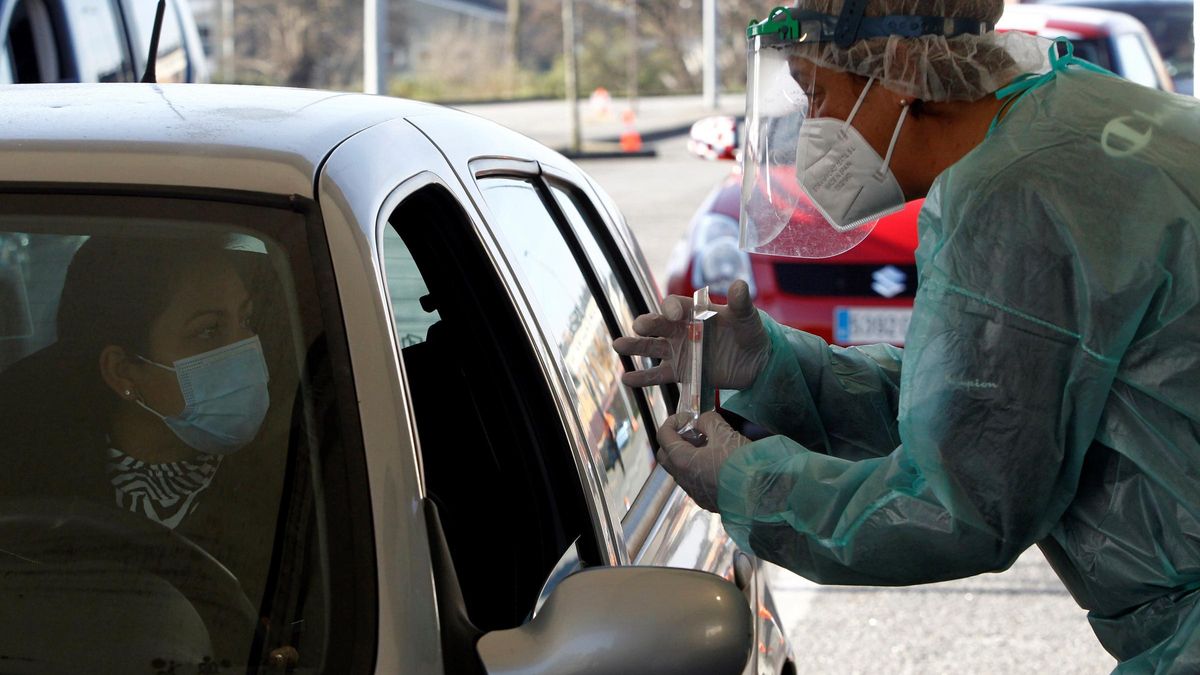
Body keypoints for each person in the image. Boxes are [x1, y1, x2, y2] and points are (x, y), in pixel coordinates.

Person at [614, 1, 1200, 672]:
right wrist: (779, 366)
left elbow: (963, 503)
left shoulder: (1010, 194)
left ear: (895, 68)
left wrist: (751, 484)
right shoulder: (1081, 120)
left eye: (816, 93)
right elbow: (996, 396)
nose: (811, 127)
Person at [0, 235, 269, 530]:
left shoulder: (290, 480)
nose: (245, 347)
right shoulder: (29, 479)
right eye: (208, 330)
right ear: (123, 371)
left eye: (245, 319)